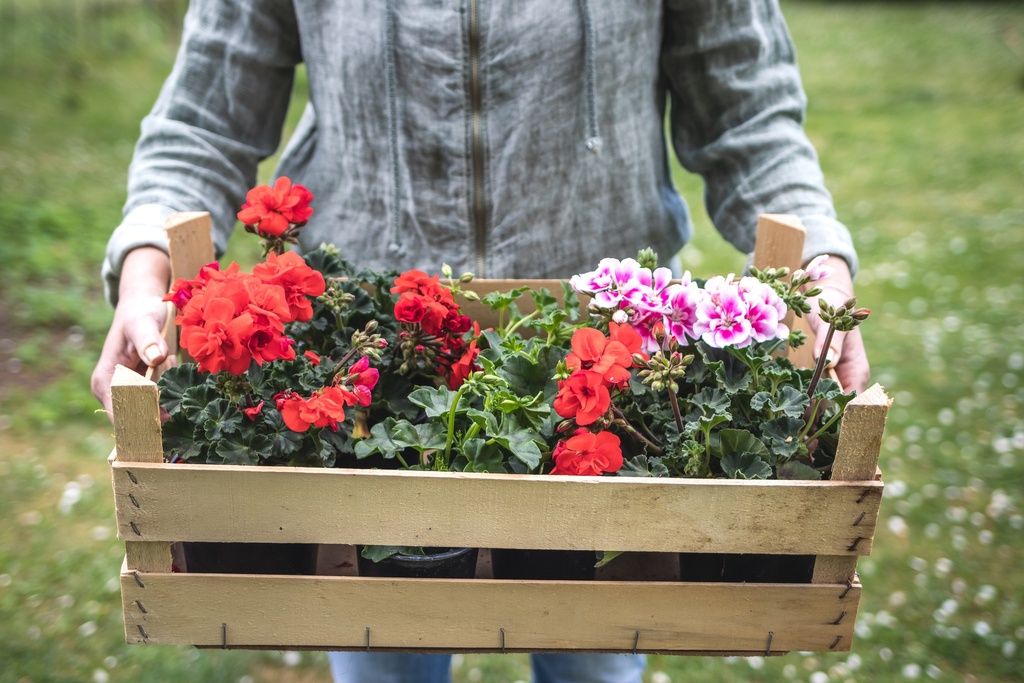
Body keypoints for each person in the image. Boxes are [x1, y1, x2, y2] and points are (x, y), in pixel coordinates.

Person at [91, 1, 870, 681]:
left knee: (596, 649)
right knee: (382, 647)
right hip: (374, 367)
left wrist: (822, 269)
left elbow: (750, 117)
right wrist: (142, 271)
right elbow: (203, 120)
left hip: (607, 363)